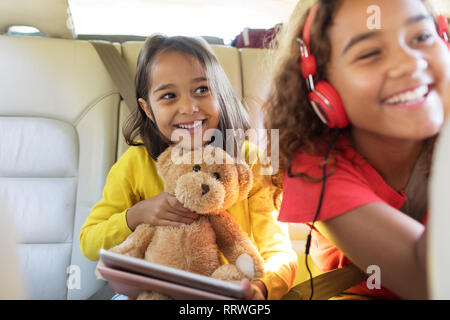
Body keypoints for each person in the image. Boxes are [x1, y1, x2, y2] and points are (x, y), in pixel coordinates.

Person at [79, 35, 297, 300]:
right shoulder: (135, 164)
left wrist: (261, 288)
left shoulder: (249, 160)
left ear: (221, 94)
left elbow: (279, 253)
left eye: (202, 90)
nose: (190, 107)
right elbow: (89, 242)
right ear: (147, 110)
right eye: (169, 96)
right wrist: (136, 215)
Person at [264, 0, 450, 299]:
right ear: (320, 86)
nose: (410, 62)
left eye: (421, 37)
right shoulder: (313, 164)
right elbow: (433, 278)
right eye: (370, 53)